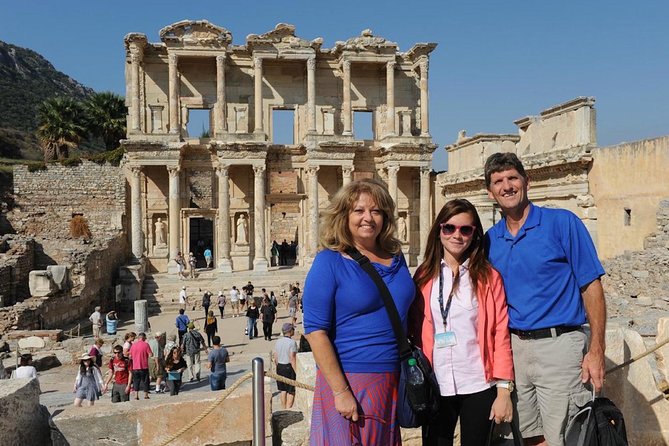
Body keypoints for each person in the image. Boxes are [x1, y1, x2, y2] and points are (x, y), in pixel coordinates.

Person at [483, 152, 606, 445]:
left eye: (513, 178)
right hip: (515, 350)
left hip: (559, 346)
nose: (507, 186)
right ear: (490, 193)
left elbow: (591, 286)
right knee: (527, 435)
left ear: (527, 182)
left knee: (565, 436)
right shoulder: (490, 240)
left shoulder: (562, 223)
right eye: (498, 181)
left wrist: (597, 350)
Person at [303, 178, 414, 445]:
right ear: (344, 215)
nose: (368, 218)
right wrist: (341, 391)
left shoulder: (397, 258)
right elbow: (315, 331)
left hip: (391, 378)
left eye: (376, 211)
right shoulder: (328, 261)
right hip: (351, 377)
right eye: (359, 211)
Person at [409, 198, 514, 445]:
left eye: (465, 229)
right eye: (450, 228)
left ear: (474, 234)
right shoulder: (424, 275)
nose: (457, 235)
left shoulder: (489, 277)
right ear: (439, 230)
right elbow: (414, 326)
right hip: (436, 381)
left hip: (478, 381)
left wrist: (503, 389)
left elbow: (500, 332)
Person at [273, 323, 298, 409]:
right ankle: (288, 408)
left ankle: (283, 408)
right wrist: (296, 371)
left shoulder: (278, 341)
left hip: (280, 366)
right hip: (288, 367)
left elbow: (275, 357)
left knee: (282, 390)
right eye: (293, 329)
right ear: (290, 331)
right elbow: (292, 358)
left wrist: (277, 366)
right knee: (291, 390)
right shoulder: (292, 342)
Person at [129, 332, 153, 400]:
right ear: (143, 338)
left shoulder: (133, 345)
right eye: (145, 338)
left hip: (135, 366)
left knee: (136, 381)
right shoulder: (146, 345)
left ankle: (136, 395)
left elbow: (130, 356)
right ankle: (146, 395)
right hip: (144, 366)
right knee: (145, 381)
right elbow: (150, 354)